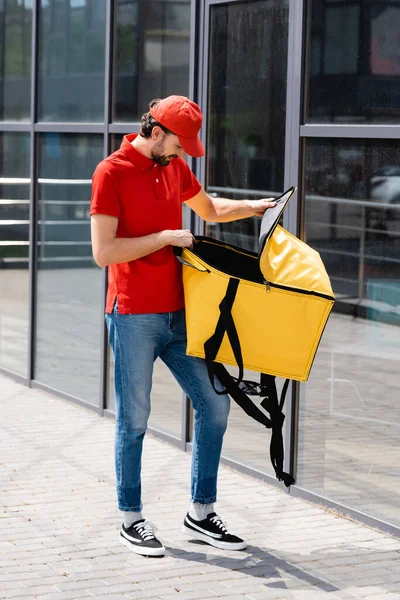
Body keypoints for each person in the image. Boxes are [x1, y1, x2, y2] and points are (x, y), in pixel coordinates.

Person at [90, 95, 277, 557]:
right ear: (156, 134)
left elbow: (209, 209)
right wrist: (164, 238)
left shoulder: (172, 166)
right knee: (134, 419)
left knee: (214, 408)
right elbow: (103, 253)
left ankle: (201, 512)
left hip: (180, 316)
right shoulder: (110, 173)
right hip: (133, 314)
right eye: (178, 144)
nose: (181, 154)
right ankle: (131, 518)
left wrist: (256, 207)